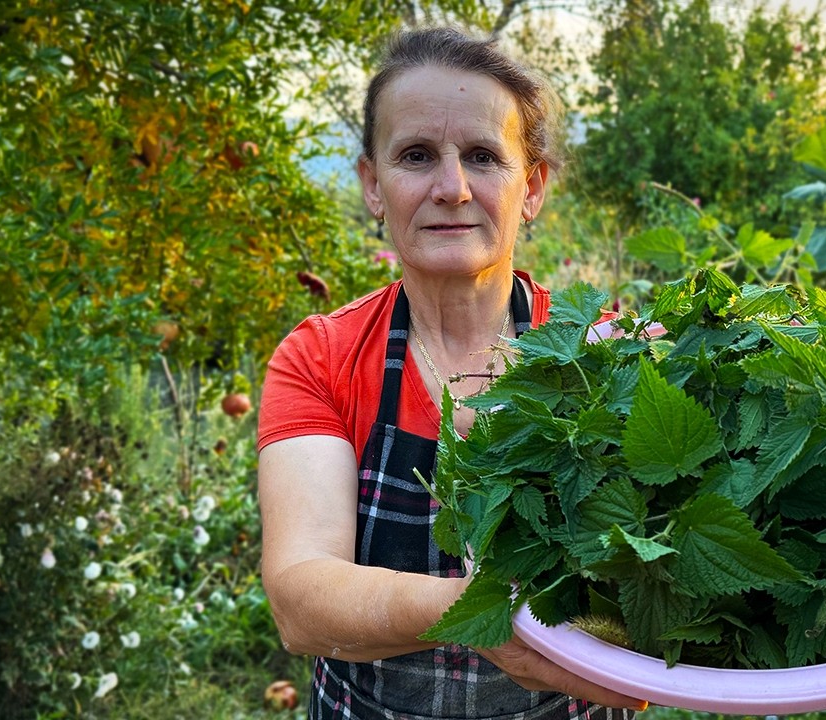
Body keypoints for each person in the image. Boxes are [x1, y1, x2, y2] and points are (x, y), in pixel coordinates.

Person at [255, 27, 646, 720]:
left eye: (482, 156)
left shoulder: (605, 353)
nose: (451, 187)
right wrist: (491, 614)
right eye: (415, 155)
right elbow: (300, 602)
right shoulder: (323, 356)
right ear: (373, 186)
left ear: (533, 186)